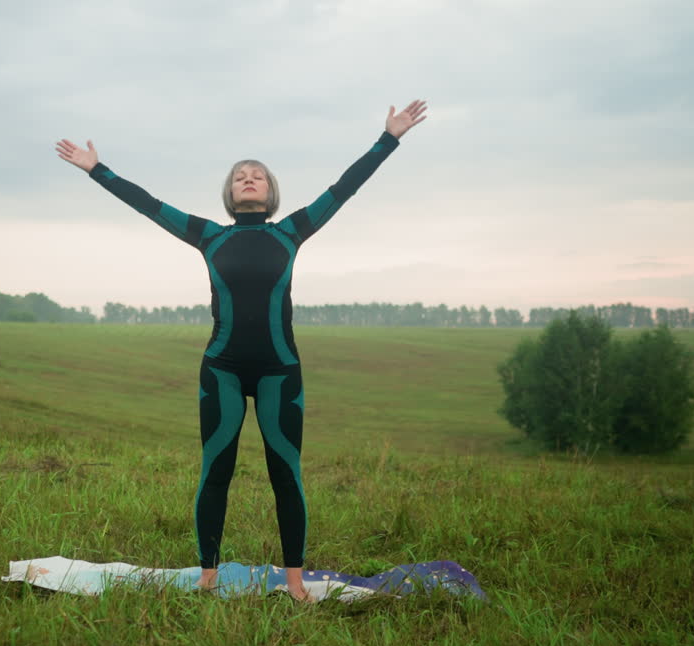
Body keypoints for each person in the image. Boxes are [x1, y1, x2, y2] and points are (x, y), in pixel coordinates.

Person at [56, 100, 427, 602]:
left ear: (271, 192)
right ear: (230, 195)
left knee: (286, 475)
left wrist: (388, 138)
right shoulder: (208, 236)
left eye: (257, 176)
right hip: (222, 370)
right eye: (239, 177)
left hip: (280, 371)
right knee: (216, 471)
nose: (248, 179)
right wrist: (97, 169)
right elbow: (147, 204)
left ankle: (296, 584)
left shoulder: (291, 232)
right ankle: (207, 579)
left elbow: (344, 189)